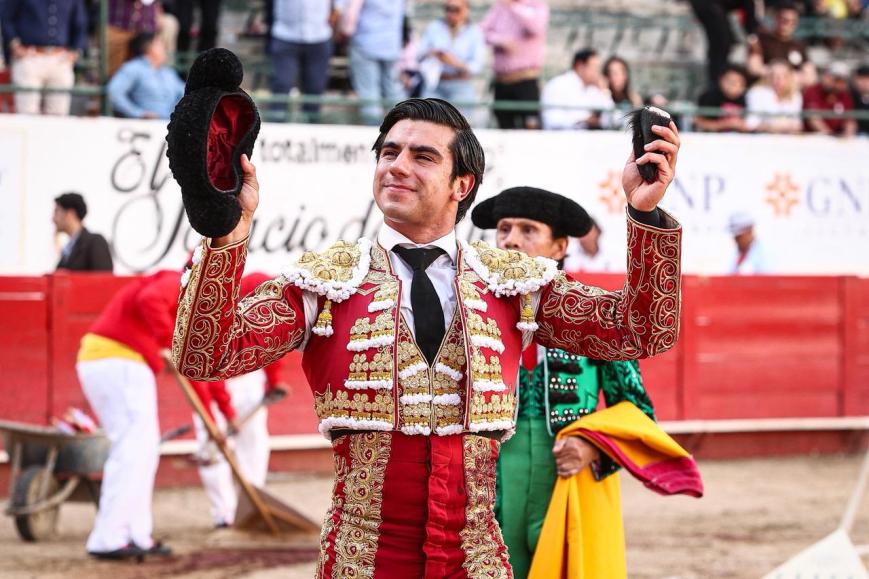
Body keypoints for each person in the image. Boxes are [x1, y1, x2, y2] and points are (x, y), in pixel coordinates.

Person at [172, 97, 683, 576]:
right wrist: (228, 235)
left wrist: (644, 214)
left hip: (476, 557)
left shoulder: (511, 281)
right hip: (362, 559)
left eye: (422, 156)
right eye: (389, 152)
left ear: (462, 183)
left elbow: (640, 330)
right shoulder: (327, 280)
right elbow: (204, 354)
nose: (397, 165)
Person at [470, 186, 656, 579]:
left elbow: (638, 411)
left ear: (558, 246)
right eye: (503, 229)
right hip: (490, 490)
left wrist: (592, 447)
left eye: (527, 230)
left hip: (570, 482)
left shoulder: (591, 314)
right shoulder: (472, 317)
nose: (510, 241)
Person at [76, 270, 181, 559]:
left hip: (114, 361)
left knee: (144, 451)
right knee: (133, 450)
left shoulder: (175, 282)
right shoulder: (181, 280)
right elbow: (150, 301)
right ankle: (108, 537)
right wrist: (168, 345)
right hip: (118, 360)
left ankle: (137, 534)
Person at [190, 272, 290, 528]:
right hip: (216, 384)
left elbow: (272, 343)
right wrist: (226, 415)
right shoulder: (211, 314)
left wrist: (273, 381)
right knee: (212, 445)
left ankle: (250, 507)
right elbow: (208, 376)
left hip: (249, 380)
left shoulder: (269, 308)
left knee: (254, 442)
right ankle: (224, 514)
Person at [1, 0, 88, 115]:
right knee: (27, 113)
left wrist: (75, 51)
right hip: (30, 57)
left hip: (60, 58)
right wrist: (15, 45)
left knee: (58, 114)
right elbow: (5, 17)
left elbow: (80, 23)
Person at [335, 0, 407, 124]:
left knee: (369, 95)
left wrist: (342, 34)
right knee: (393, 92)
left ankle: (375, 133)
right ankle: (403, 128)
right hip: (391, 45)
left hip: (365, 44)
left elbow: (350, 20)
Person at [481, 0, 549, 129]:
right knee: (504, 125)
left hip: (525, 80)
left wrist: (514, 7)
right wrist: (500, 41)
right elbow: (482, 31)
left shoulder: (536, 5)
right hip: (502, 81)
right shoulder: (500, 7)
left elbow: (535, 27)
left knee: (531, 125)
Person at [416, 0, 486, 121]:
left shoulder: (474, 32)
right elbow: (418, 55)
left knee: (459, 127)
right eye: (448, 9)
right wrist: (432, 53)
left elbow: (477, 66)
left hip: (460, 85)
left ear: (466, 10)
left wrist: (454, 62)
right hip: (435, 84)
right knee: (428, 122)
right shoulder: (434, 27)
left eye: (456, 9)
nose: (451, 13)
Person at [268, 0, 334, 121]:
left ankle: (312, 134)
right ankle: (275, 133)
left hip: (319, 36)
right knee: (282, 86)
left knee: (315, 90)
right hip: (285, 35)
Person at [107, 32, 185, 119]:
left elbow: (185, 93)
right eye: (159, 44)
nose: (164, 48)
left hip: (170, 125)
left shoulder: (168, 72)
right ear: (148, 48)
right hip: (142, 127)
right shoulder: (133, 68)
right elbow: (113, 93)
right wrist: (138, 113)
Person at [688, 0, 762, 88]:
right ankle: (716, 84)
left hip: (714, 6)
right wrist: (752, 37)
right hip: (707, 4)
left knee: (722, 44)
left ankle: (717, 81)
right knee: (721, 44)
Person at [541, 48, 614, 130]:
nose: (597, 72)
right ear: (580, 66)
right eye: (594, 67)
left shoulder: (594, 89)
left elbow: (611, 118)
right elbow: (551, 120)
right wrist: (583, 121)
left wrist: (604, 91)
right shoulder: (557, 85)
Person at [747, 2, 816, 87]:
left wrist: (786, 77)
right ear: (776, 18)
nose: (788, 24)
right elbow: (754, 68)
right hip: (765, 89)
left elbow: (811, 77)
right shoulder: (760, 39)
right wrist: (777, 74)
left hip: (791, 93)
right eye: (784, 20)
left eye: (793, 21)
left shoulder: (800, 45)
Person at [53, 192, 113, 272]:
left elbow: (105, 281)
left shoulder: (95, 242)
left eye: (57, 211)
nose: (53, 219)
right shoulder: (67, 251)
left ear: (70, 214)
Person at [746, 59, 803, 133]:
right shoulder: (756, 92)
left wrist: (776, 126)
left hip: (788, 139)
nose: (778, 79)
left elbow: (797, 125)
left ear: (790, 77)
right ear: (767, 76)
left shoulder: (795, 94)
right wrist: (771, 127)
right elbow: (751, 124)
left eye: (783, 76)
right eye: (773, 75)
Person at [802, 63, 857, 136]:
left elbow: (850, 121)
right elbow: (813, 119)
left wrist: (848, 136)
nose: (828, 80)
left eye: (837, 79)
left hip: (838, 138)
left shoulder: (845, 96)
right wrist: (829, 135)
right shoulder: (813, 91)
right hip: (814, 138)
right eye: (827, 76)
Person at [695, 64, 751, 133]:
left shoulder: (747, 98)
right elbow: (699, 122)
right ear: (721, 80)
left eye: (737, 82)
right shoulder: (710, 97)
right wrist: (726, 124)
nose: (733, 85)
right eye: (730, 81)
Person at [853, 64, 869, 136]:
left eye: (867, 79)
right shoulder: (849, 96)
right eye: (861, 78)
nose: (864, 82)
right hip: (855, 137)